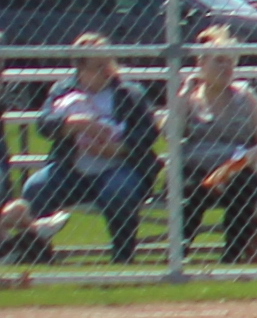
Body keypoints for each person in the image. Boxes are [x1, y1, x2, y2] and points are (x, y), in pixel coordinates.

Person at [5, 39, 152, 263]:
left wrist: (118, 149)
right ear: (81, 69)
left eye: (108, 63)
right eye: (98, 66)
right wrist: (74, 123)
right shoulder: (63, 90)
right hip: (72, 169)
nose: (107, 71)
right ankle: (38, 254)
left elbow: (148, 131)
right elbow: (44, 125)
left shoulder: (128, 92)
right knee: (35, 188)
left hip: (117, 167)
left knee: (120, 191)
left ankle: (123, 257)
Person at [172, 33, 257, 263]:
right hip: (197, 167)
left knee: (246, 184)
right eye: (219, 61)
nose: (226, 67)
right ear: (201, 64)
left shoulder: (245, 96)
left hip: (236, 168)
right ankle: (179, 255)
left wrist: (236, 165)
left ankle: (232, 255)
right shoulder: (190, 98)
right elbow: (169, 133)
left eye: (230, 61)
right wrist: (184, 92)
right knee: (192, 189)